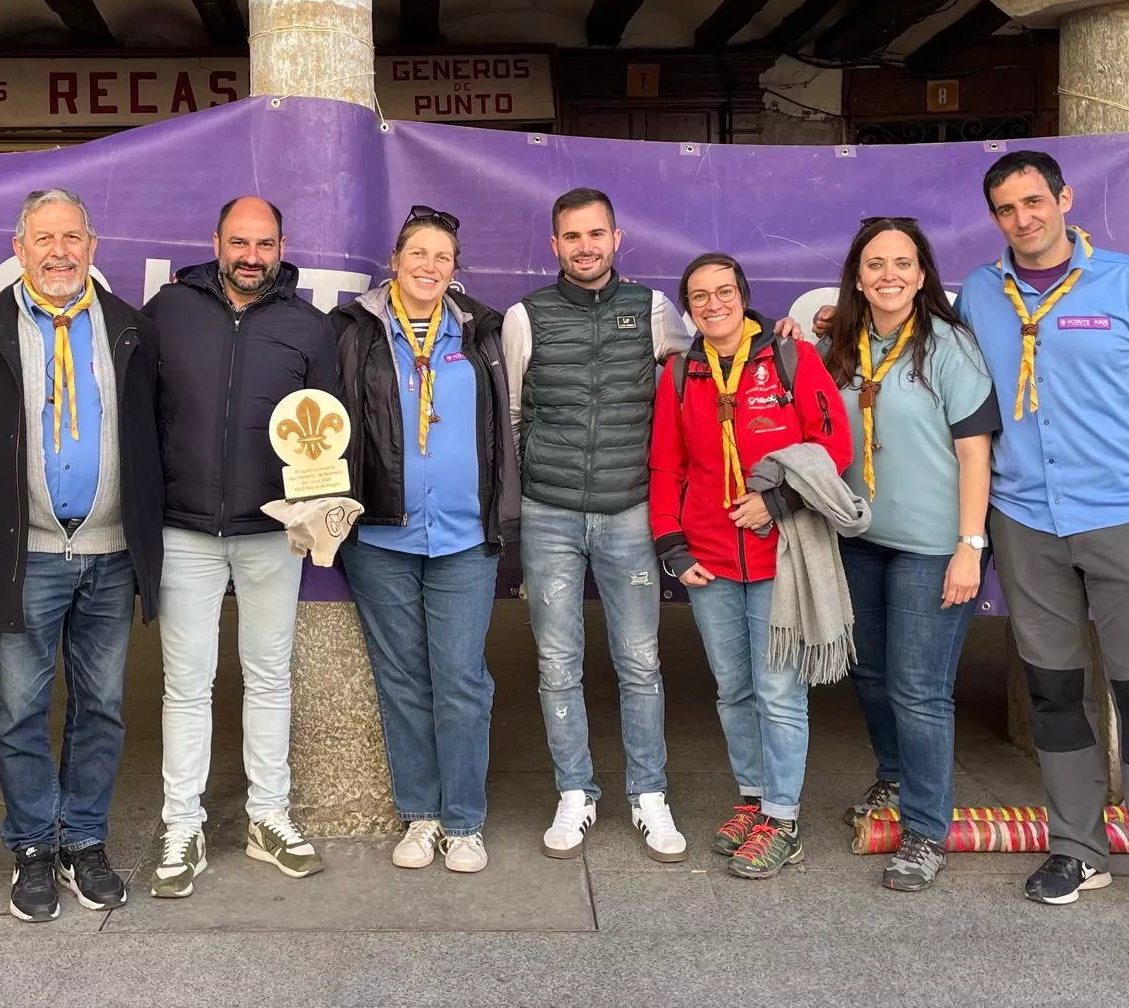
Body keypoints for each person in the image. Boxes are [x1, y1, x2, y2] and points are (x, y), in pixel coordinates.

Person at [954, 150, 1129, 936]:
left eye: (1034, 202)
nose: (1022, 219)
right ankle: (1077, 846)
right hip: (1025, 518)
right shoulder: (977, 292)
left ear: (1064, 199)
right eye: (1006, 209)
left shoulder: (1127, 284)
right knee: (1054, 695)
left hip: (1126, 518)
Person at [0, 188, 163, 923]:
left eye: (73, 236)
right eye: (45, 238)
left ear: (93, 247)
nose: (60, 251)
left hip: (110, 554)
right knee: (18, 711)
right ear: (19, 249)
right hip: (25, 557)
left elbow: (153, 437)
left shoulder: (132, 330)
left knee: (101, 709)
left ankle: (86, 842)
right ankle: (34, 847)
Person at [144, 195, 340, 896]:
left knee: (269, 677)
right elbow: (141, 414)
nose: (251, 256)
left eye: (264, 244)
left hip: (271, 534)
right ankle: (182, 826)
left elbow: (329, 441)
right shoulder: (167, 313)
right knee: (187, 684)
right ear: (215, 240)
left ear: (282, 247)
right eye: (239, 242)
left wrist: (317, 518)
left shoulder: (310, 328)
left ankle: (268, 817)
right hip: (184, 529)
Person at [501, 187, 692, 862]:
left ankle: (649, 794)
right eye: (572, 237)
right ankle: (576, 791)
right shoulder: (527, 316)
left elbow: (696, 384)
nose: (585, 247)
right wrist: (538, 495)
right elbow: (516, 418)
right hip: (550, 514)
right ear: (555, 246)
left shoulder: (653, 310)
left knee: (640, 661)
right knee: (558, 664)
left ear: (617, 239)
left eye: (596, 234)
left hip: (630, 511)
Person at [649, 253, 852, 878]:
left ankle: (784, 819)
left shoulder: (791, 359)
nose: (713, 305)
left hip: (779, 556)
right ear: (689, 308)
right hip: (708, 561)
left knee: (778, 692)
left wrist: (776, 501)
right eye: (700, 296)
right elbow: (666, 466)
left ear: (744, 296)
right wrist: (671, 547)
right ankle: (754, 799)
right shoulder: (682, 372)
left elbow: (834, 447)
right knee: (733, 690)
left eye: (724, 292)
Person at [331, 206, 520, 873]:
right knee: (404, 679)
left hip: (465, 536)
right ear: (395, 259)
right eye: (419, 254)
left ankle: (465, 821)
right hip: (381, 536)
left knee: (462, 679)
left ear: (454, 269)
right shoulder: (352, 330)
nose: (430, 267)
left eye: (443, 257)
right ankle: (422, 815)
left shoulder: (483, 332)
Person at [816, 217, 999, 891]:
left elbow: (975, 454)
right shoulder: (839, 343)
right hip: (859, 538)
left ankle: (925, 830)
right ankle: (892, 777)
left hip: (932, 545)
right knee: (868, 675)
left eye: (902, 263)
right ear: (857, 277)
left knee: (919, 690)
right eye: (874, 264)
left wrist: (969, 548)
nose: (888, 275)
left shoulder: (949, 346)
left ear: (922, 275)